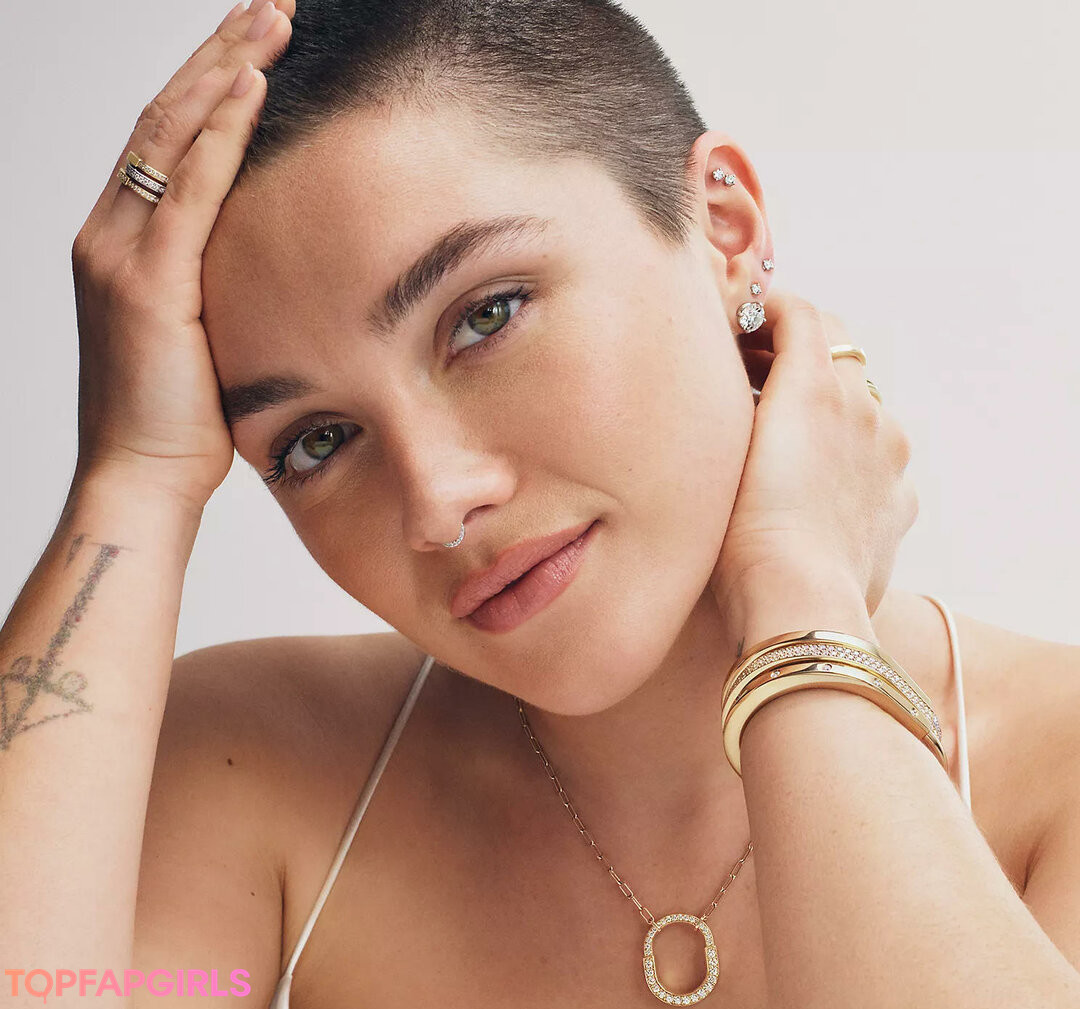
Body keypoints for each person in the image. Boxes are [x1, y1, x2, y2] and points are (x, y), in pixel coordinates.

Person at [3, 0, 1079, 1006]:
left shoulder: (1058, 772)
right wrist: (133, 472)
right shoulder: (251, 772)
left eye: (487, 315)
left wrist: (802, 603)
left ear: (723, 227)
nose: (436, 504)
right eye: (317, 440)